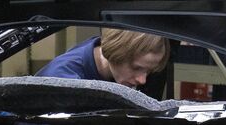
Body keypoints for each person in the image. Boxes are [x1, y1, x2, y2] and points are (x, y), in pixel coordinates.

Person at [38, 29, 169, 91]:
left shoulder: (101, 52)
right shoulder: (63, 81)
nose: (142, 80)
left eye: (148, 71)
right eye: (136, 68)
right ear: (116, 53)